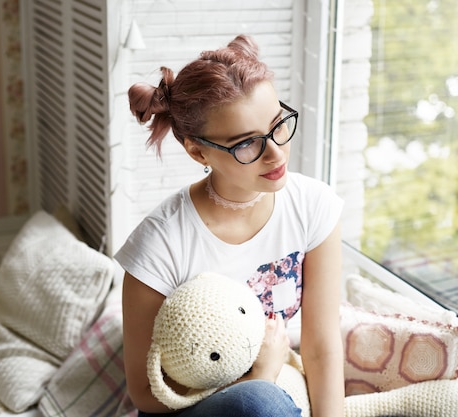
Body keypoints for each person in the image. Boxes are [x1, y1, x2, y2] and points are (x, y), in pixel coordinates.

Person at [115, 34, 345, 417]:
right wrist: (260, 376)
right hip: (187, 408)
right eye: (246, 144)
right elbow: (144, 393)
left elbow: (321, 347)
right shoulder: (159, 243)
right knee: (261, 402)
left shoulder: (313, 207)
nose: (275, 154)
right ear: (197, 150)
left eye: (278, 125)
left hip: (275, 393)